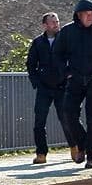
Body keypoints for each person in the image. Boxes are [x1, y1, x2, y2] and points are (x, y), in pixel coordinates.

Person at [53, 0, 92, 168]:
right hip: (75, 79)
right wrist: (66, 73)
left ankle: (91, 156)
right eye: (84, 14)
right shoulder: (68, 31)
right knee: (68, 113)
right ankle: (83, 144)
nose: (88, 17)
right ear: (78, 15)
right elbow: (57, 54)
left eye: (91, 14)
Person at [25, 12, 68, 164]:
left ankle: (76, 147)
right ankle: (41, 153)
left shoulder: (65, 40)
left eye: (57, 21)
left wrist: (69, 76)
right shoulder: (38, 42)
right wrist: (36, 81)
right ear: (45, 25)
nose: (56, 24)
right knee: (39, 121)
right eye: (52, 22)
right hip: (44, 87)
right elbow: (31, 64)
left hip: (63, 86)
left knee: (67, 118)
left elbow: (73, 59)